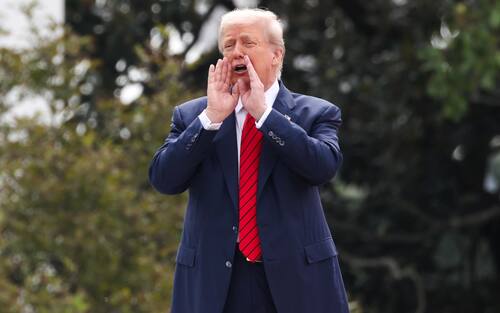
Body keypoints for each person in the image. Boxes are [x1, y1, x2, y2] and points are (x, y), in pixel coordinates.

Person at [149, 8, 350, 313]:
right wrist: (211, 119)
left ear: (276, 55)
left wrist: (266, 116)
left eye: (248, 43)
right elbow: (164, 179)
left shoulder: (317, 113)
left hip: (295, 280)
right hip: (216, 284)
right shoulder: (193, 116)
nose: (237, 52)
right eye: (229, 46)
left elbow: (322, 167)